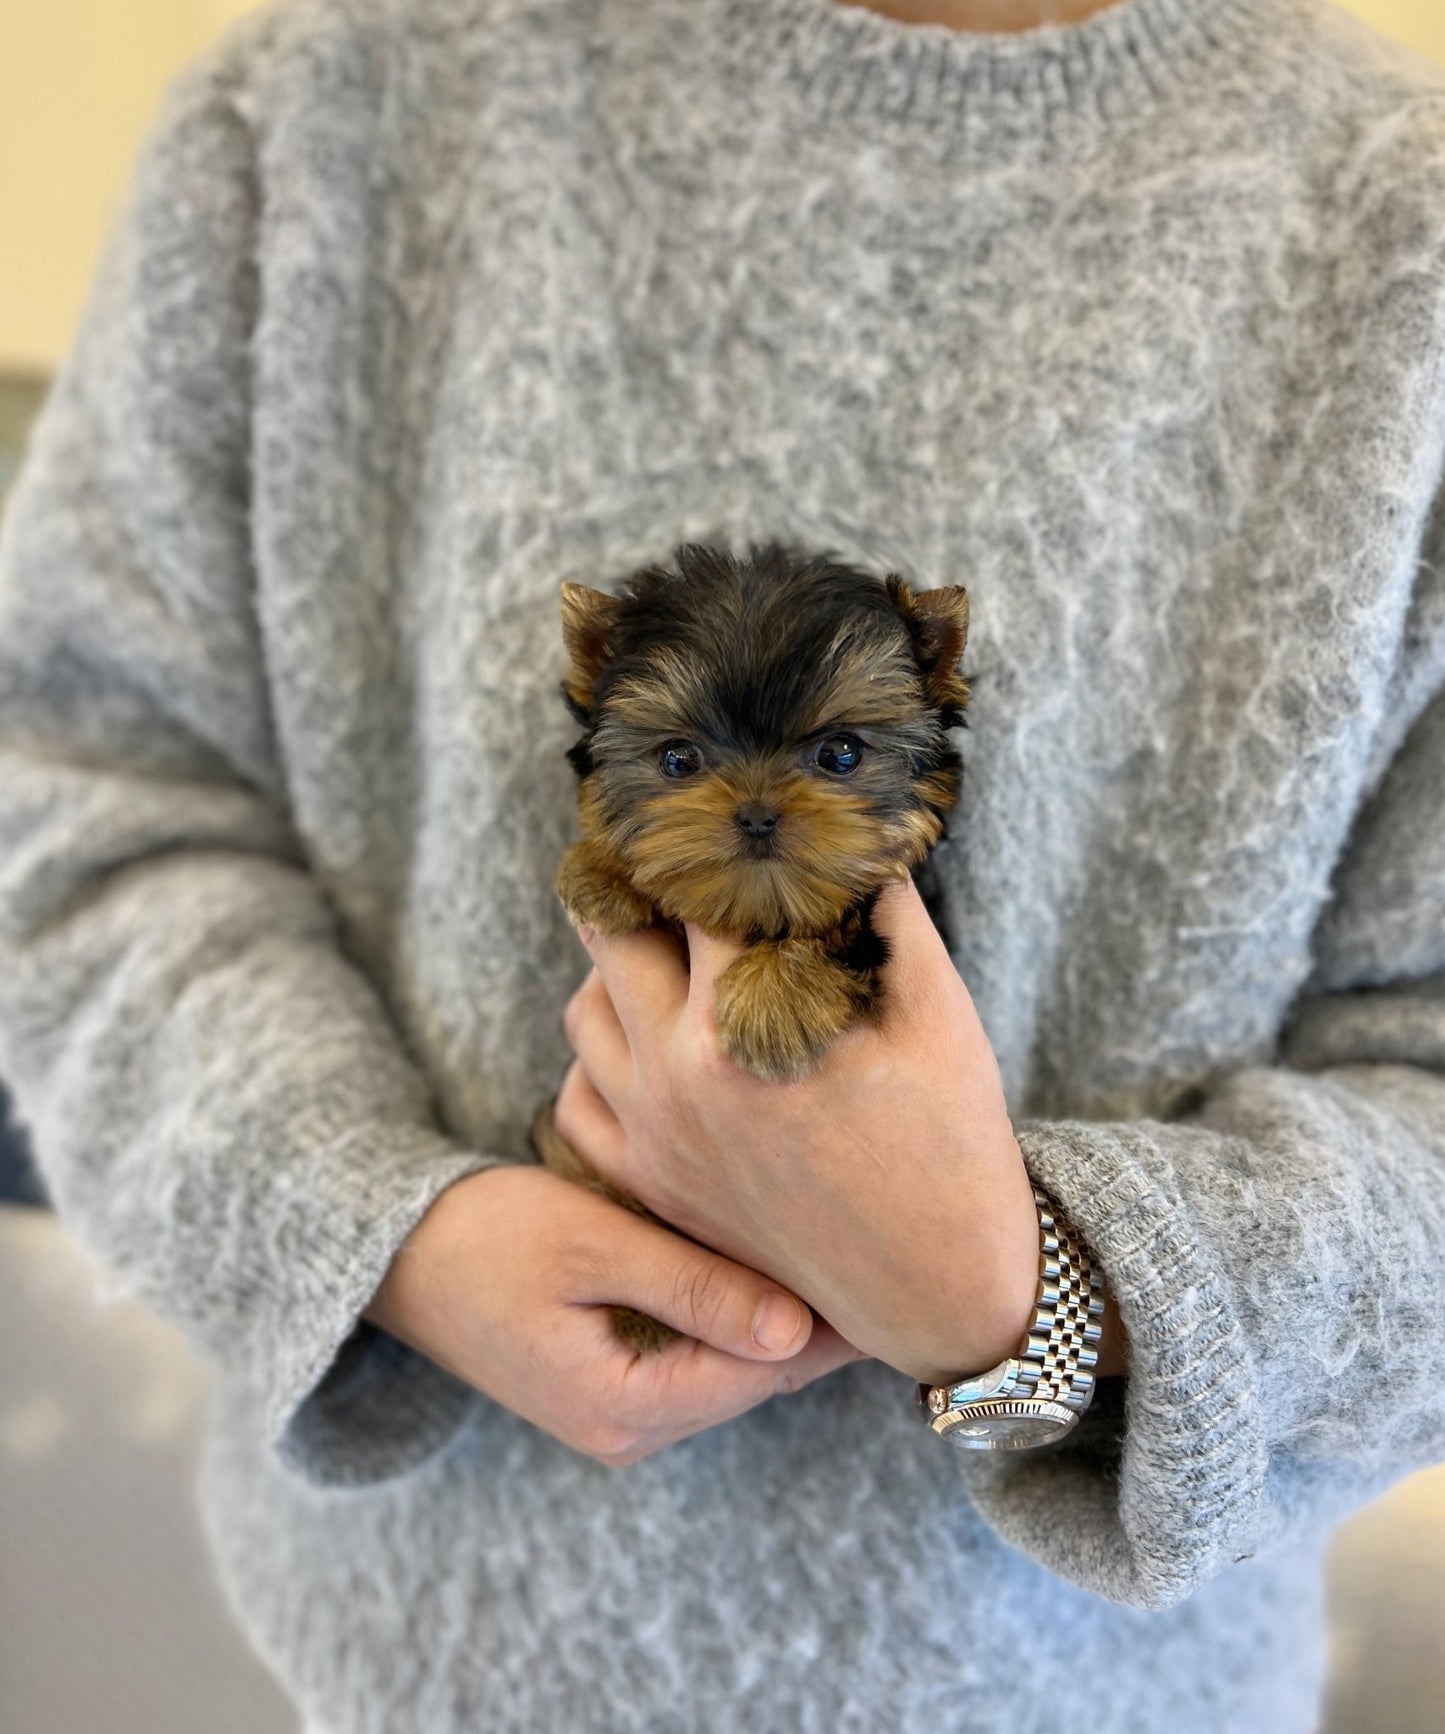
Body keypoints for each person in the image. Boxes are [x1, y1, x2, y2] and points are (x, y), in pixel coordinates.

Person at [1, 0, 1442, 1727]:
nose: (759, 808)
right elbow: (85, 806)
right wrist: (376, 1227)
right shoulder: (320, 108)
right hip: (423, 1661)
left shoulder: (1397, 224)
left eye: (832, 762)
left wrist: (1030, 1292)